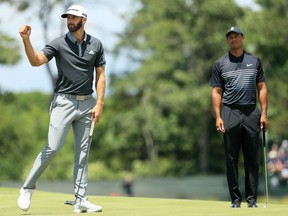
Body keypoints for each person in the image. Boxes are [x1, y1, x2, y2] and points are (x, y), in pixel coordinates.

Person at [17, 5, 106, 213]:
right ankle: (27, 187)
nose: (70, 21)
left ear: (84, 20)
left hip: (87, 104)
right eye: (68, 18)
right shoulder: (58, 43)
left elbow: (100, 74)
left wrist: (100, 103)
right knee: (53, 147)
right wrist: (26, 40)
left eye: (74, 18)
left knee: (83, 153)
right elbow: (36, 61)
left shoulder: (96, 44)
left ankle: (81, 199)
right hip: (63, 102)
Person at [210, 27, 268, 208]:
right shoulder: (220, 64)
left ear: (243, 38)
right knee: (231, 158)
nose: (233, 39)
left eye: (236, 36)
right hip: (230, 112)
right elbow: (216, 91)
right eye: (230, 37)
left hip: (251, 111)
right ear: (228, 41)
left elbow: (262, 88)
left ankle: (252, 200)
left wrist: (264, 113)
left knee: (252, 158)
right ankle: (235, 200)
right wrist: (218, 116)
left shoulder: (254, 61)